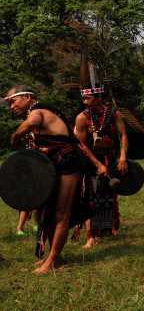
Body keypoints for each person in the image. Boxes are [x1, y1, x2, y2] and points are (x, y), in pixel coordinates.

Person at [5, 84, 92, 274]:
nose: (11, 106)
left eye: (13, 101)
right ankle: (54, 256)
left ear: (27, 97)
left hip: (69, 162)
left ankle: (53, 260)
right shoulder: (42, 112)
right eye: (8, 104)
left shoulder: (38, 110)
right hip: (55, 164)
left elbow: (30, 123)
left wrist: (15, 137)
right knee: (50, 212)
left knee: (61, 212)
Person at [74, 85, 128, 248]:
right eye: (83, 99)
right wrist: (97, 164)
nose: (85, 102)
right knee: (93, 197)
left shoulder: (114, 113)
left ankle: (103, 231)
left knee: (108, 196)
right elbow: (81, 144)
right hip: (91, 162)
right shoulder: (82, 118)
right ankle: (91, 236)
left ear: (99, 97)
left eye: (88, 98)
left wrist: (123, 158)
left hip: (110, 160)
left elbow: (123, 135)